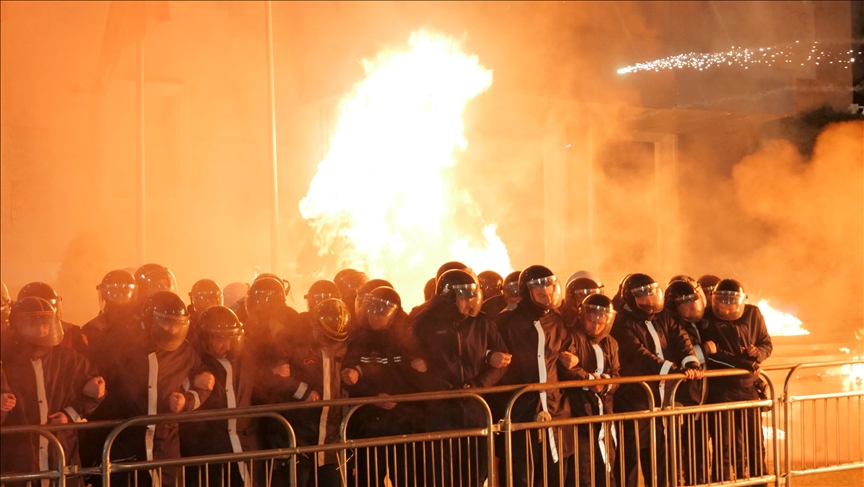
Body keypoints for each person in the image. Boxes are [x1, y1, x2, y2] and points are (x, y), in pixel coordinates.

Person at [95, 291, 214, 487]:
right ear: (149, 320)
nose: (173, 330)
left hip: (165, 445)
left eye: (178, 324)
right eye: (167, 322)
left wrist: (187, 401)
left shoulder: (184, 351)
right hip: (126, 444)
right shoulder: (118, 346)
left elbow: (204, 383)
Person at [412, 269, 509, 486]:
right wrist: (445, 389)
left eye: (472, 296)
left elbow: (503, 363)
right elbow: (413, 367)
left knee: (476, 473)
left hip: (475, 409)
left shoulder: (482, 324)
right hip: (440, 413)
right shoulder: (425, 324)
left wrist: (478, 385)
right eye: (464, 297)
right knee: (442, 476)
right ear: (448, 296)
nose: (470, 302)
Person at [0, 296, 106, 484]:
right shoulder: (5, 361)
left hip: (62, 453)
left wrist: (69, 414)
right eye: (34, 324)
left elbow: (95, 392)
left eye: (46, 324)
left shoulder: (69, 359)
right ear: (17, 326)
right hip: (18, 459)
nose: (42, 330)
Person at [610, 273, 701, 487]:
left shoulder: (663, 316)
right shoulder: (621, 322)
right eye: (642, 297)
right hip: (634, 401)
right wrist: (670, 369)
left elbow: (681, 339)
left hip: (661, 400)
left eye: (652, 295)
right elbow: (637, 353)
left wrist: (691, 362)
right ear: (630, 299)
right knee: (629, 460)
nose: (649, 301)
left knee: (661, 459)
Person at [496, 265, 572, 487]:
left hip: (553, 407)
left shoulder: (556, 321)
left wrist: (575, 362)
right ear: (527, 293)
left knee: (554, 472)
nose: (547, 298)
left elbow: (566, 352)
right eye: (540, 294)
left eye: (550, 292)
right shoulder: (507, 321)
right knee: (521, 473)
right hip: (521, 408)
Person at [341, 286, 425, 486]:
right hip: (369, 424)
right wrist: (372, 397)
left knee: (406, 478)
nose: (374, 317)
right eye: (370, 310)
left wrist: (424, 365)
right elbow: (349, 379)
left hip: (403, 422)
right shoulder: (358, 339)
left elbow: (415, 377)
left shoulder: (407, 338)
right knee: (368, 479)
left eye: (380, 312)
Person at [271, 298, 352, 487]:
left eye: (337, 341)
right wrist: (302, 390)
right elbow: (269, 378)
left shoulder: (344, 348)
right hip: (300, 438)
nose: (331, 345)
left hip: (331, 443)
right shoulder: (291, 342)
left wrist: (358, 371)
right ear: (314, 326)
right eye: (328, 339)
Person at [180, 306, 260, 487]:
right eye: (220, 338)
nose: (227, 345)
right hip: (205, 449)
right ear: (205, 337)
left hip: (243, 446)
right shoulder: (189, 357)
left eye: (231, 338)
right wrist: (191, 380)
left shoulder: (245, 358)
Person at [704, 279, 772, 485]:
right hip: (722, 388)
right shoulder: (707, 318)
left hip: (748, 387)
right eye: (721, 301)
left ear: (741, 301)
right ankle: (722, 482)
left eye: (731, 301)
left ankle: (759, 483)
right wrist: (743, 362)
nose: (725, 306)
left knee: (755, 443)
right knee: (723, 444)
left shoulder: (753, 314)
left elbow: (766, 343)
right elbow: (713, 353)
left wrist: (757, 353)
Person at [558, 293, 619, 487]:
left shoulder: (611, 342)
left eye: (601, 323)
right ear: (582, 316)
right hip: (579, 413)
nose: (596, 327)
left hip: (604, 415)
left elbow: (617, 375)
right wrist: (590, 379)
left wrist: (604, 383)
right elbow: (567, 367)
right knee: (582, 472)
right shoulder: (572, 337)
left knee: (606, 468)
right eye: (591, 321)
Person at [664, 279, 715, 485]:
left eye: (694, 300)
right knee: (676, 454)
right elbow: (676, 358)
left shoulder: (701, 326)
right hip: (681, 400)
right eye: (685, 303)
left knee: (700, 453)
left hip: (700, 401)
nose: (692, 306)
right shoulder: (671, 327)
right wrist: (705, 351)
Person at [81, 270, 138, 356]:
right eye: (113, 294)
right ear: (104, 296)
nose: (119, 301)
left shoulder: (140, 326)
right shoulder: (92, 329)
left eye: (124, 294)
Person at [17, 282, 84, 351]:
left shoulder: (72, 334)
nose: (40, 330)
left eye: (44, 325)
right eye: (33, 325)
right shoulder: (13, 340)